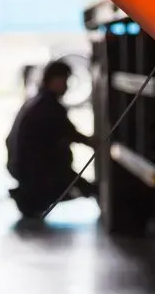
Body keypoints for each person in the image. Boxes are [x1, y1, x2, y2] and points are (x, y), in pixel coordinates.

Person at [6, 59, 98, 218]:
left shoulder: (35, 102)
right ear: (54, 80)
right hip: (36, 173)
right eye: (65, 81)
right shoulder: (49, 107)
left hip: (22, 170)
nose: (67, 86)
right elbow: (72, 135)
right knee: (63, 166)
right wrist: (98, 144)